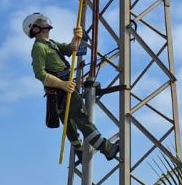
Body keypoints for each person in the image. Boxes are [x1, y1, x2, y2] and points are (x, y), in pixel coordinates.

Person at [24, 12, 119, 163]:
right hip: (61, 90)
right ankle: (107, 149)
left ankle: (80, 151)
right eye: (41, 22)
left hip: (64, 87)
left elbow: (70, 49)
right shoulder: (39, 48)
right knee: (81, 119)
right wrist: (62, 84)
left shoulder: (50, 43)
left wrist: (77, 37)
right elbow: (40, 74)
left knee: (70, 123)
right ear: (34, 28)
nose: (45, 24)